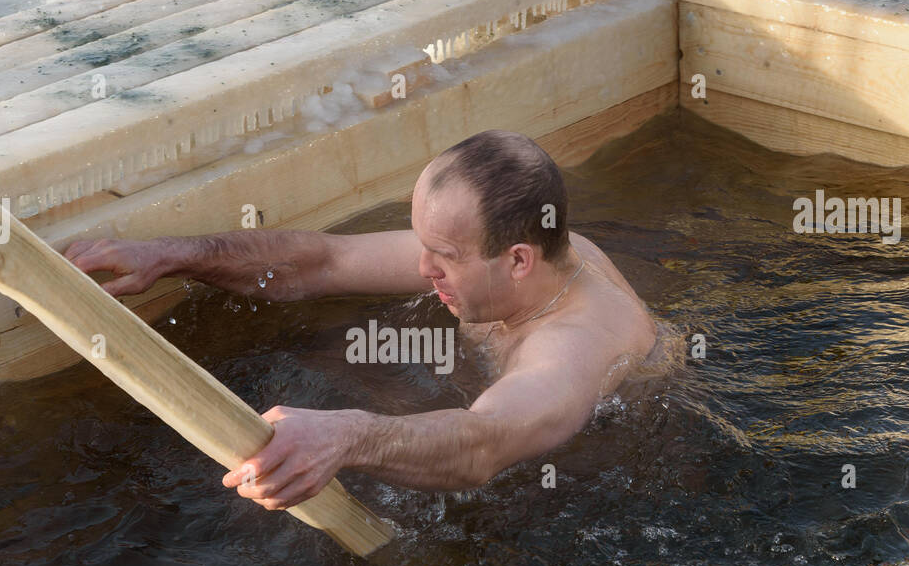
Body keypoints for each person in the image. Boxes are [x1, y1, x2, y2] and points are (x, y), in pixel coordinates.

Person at [64, 129, 666, 512]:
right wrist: (170, 255)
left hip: (602, 487)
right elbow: (325, 260)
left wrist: (346, 435)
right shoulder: (518, 261)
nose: (421, 266)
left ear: (517, 260)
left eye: (445, 257)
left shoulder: (572, 346)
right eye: (423, 244)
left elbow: (484, 446)